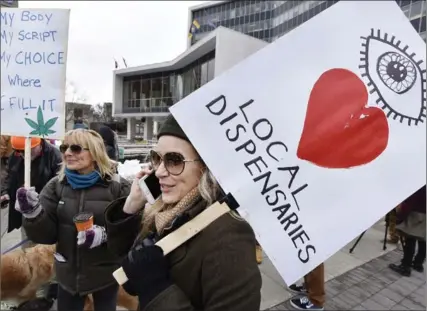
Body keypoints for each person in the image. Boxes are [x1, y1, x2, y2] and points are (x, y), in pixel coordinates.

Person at [104, 115, 262, 311]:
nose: (160, 171)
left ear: (206, 166)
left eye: (174, 160)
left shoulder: (230, 237)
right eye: (157, 158)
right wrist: (132, 205)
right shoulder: (164, 211)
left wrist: (156, 288)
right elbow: (122, 253)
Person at [14, 129, 131, 311]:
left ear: (94, 153)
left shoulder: (118, 187)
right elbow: (46, 236)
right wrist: (33, 214)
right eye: (64, 147)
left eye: (75, 148)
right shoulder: (56, 185)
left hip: (106, 274)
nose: (67, 153)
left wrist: (105, 235)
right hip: (68, 275)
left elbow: (133, 230)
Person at [0, 137, 62, 243]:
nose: (22, 154)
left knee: (44, 248)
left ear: (39, 144)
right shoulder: (15, 156)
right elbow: (9, 176)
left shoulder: (55, 156)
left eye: (25, 150)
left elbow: (59, 184)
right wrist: (5, 193)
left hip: (46, 211)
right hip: (24, 211)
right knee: (28, 245)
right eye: (18, 151)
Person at [389, 185, 426, 277]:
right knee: (422, 239)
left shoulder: (419, 185)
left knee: (410, 238)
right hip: (424, 214)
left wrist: (399, 218)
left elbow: (409, 203)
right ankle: (418, 264)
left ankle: (405, 266)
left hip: (416, 214)